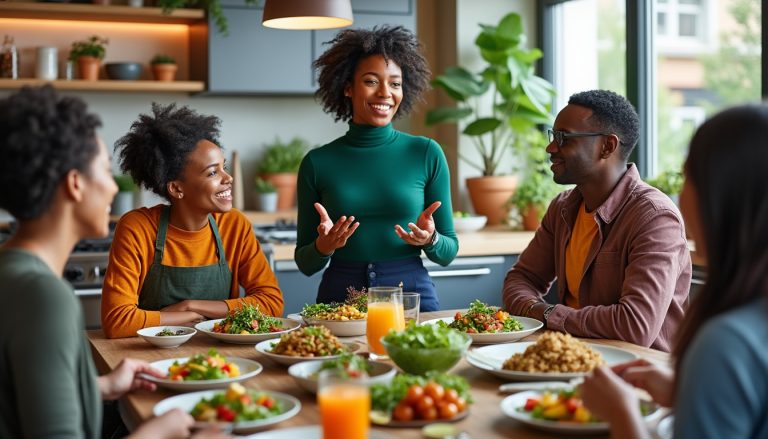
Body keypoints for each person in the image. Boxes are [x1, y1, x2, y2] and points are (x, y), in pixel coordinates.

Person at [0, 85, 220, 438]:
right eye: (104, 171)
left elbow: (20, 393)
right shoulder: (44, 295)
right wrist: (158, 433)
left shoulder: (11, 271)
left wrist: (100, 387)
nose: (114, 188)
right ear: (75, 184)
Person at [580, 104, 768, 439]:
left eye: (686, 178)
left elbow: (634, 325)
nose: (680, 196)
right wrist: (690, 393)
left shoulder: (727, 342)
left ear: (719, 196)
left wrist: (621, 412)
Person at [502, 90, 691, 352]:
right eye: (552, 136)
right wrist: (539, 310)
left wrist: (548, 314)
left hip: (636, 368)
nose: (551, 148)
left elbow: (634, 326)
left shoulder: (654, 217)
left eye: (563, 138)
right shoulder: (562, 208)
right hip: (573, 356)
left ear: (607, 146)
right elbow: (521, 279)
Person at [295, 26, 458, 311]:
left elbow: (448, 252)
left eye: (395, 84)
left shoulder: (426, 153)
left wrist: (430, 239)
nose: (385, 93)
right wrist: (324, 246)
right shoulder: (317, 162)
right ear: (348, 87)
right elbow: (305, 263)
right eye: (371, 81)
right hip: (340, 299)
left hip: (412, 297)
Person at [101, 103, 283, 338]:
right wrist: (179, 318)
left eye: (224, 167)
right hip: (150, 353)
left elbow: (271, 303)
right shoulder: (138, 228)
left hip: (218, 353)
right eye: (212, 172)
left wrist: (191, 306)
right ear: (177, 189)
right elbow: (117, 321)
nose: (228, 178)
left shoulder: (234, 225)